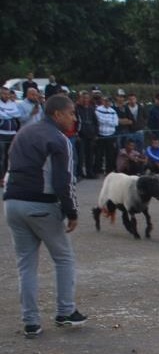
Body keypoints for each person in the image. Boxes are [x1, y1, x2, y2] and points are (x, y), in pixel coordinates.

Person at [3, 95, 87, 338]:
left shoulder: (24, 133)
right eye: (71, 113)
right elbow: (64, 181)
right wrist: (72, 211)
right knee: (64, 258)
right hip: (41, 203)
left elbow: (8, 166)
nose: (74, 118)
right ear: (57, 114)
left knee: (26, 264)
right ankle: (65, 312)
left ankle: (31, 321)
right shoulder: (59, 139)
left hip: (13, 202)